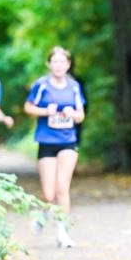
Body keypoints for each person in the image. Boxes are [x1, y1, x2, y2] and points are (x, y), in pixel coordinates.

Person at [24, 47, 86, 249]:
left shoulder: (74, 86)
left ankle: (62, 233)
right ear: (49, 64)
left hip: (68, 141)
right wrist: (44, 111)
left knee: (62, 188)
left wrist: (72, 114)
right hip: (46, 142)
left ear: (68, 65)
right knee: (49, 194)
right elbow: (28, 108)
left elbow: (81, 115)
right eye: (55, 62)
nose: (59, 65)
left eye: (63, 62)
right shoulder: (41, 85)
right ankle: (43, 215)